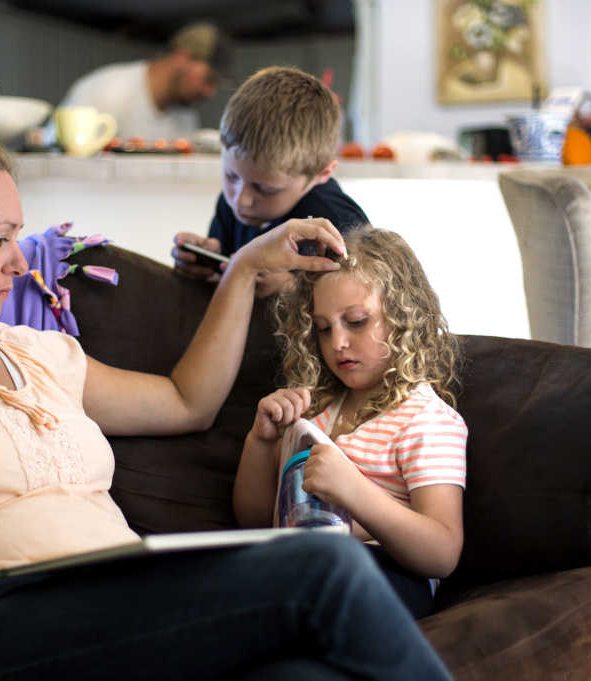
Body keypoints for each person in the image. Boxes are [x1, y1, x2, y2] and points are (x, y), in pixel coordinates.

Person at [0, 109, 455, 681]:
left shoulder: (34, 352)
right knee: (322, 563)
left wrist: (241, 269)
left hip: (116, 609)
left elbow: (188, 401)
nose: (18, 258)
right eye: (1, 238)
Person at [233, 225, 468, 620]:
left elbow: (442, 552)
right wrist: (261, 440)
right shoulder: (315, 410)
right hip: (298, 565)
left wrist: (353, 491)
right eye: (323, 329)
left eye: (356, 321)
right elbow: (255, 519)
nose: (337, 342)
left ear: (403, 316)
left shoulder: (426, 420)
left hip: (384, 572)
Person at [172, 66, 368, 298]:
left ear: (322, 173)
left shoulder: (335, 215)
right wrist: (207, 271)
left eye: (265, 189)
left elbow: (369, 294)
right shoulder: (230, 204)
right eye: (231, 176)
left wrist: (289, 286)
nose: (240, 199)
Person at [56, 22, 232, 142]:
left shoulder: (185, 115)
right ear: (182, 58)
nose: (210, 92)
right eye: (209, 79)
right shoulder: (108, 92)